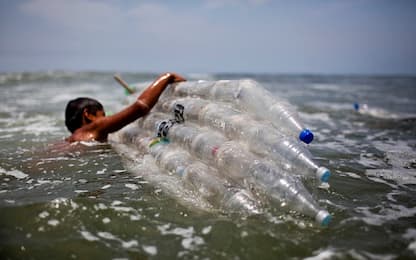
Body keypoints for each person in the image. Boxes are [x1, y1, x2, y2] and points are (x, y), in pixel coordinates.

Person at [65, 72, 186, 142]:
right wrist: (166, 77)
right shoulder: (95, 127)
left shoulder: (73, 139)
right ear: (88, 115)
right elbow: (140, 107)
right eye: (103, 115)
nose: (106, 120)